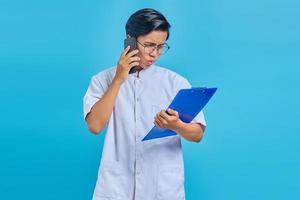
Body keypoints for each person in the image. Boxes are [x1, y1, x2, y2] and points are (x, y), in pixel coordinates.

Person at [83, 8, 206, 200]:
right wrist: (118, 79)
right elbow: (95, 126)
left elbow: (197, 134)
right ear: (130, 40)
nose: (154, 53)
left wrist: (176, 125)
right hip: (116, 188)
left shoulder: (176, 82)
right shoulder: (102, 80)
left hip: (162, 189)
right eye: (149, 45)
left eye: (161, 47)